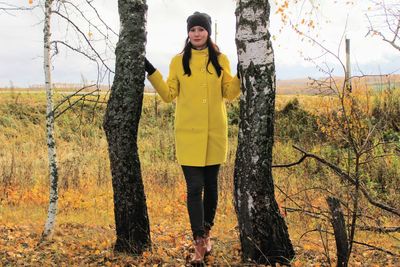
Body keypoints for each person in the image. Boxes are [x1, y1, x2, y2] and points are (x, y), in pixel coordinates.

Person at [145, 11, 241, 264]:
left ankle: (207, 234)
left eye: (201, 29)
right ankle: (199, 240)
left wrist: (243, 71)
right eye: (193, 30)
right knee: (194, 188)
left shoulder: (221, 59)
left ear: (208, 32)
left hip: (214, 134)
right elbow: (168, 95)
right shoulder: (178, 62)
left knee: (211, 188)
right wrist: (151, 71)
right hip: (188, 135)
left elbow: (230, 93)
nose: (197, 34)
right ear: (188, 33)